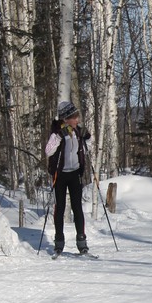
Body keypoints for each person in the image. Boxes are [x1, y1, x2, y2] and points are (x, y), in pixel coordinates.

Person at [44, 100, 91, 255]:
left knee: (77, 208)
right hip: (60, 175)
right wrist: (58, 137)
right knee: (60, 208)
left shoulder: (78, 132)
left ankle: (82, 242)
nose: (77, 119)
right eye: (74, 117)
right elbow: (48, 151)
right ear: (65, 118)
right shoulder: (56, 132)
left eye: (77, 116)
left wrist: (87, 137)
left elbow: (88, 147)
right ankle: (59, 242)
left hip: (75, 173)